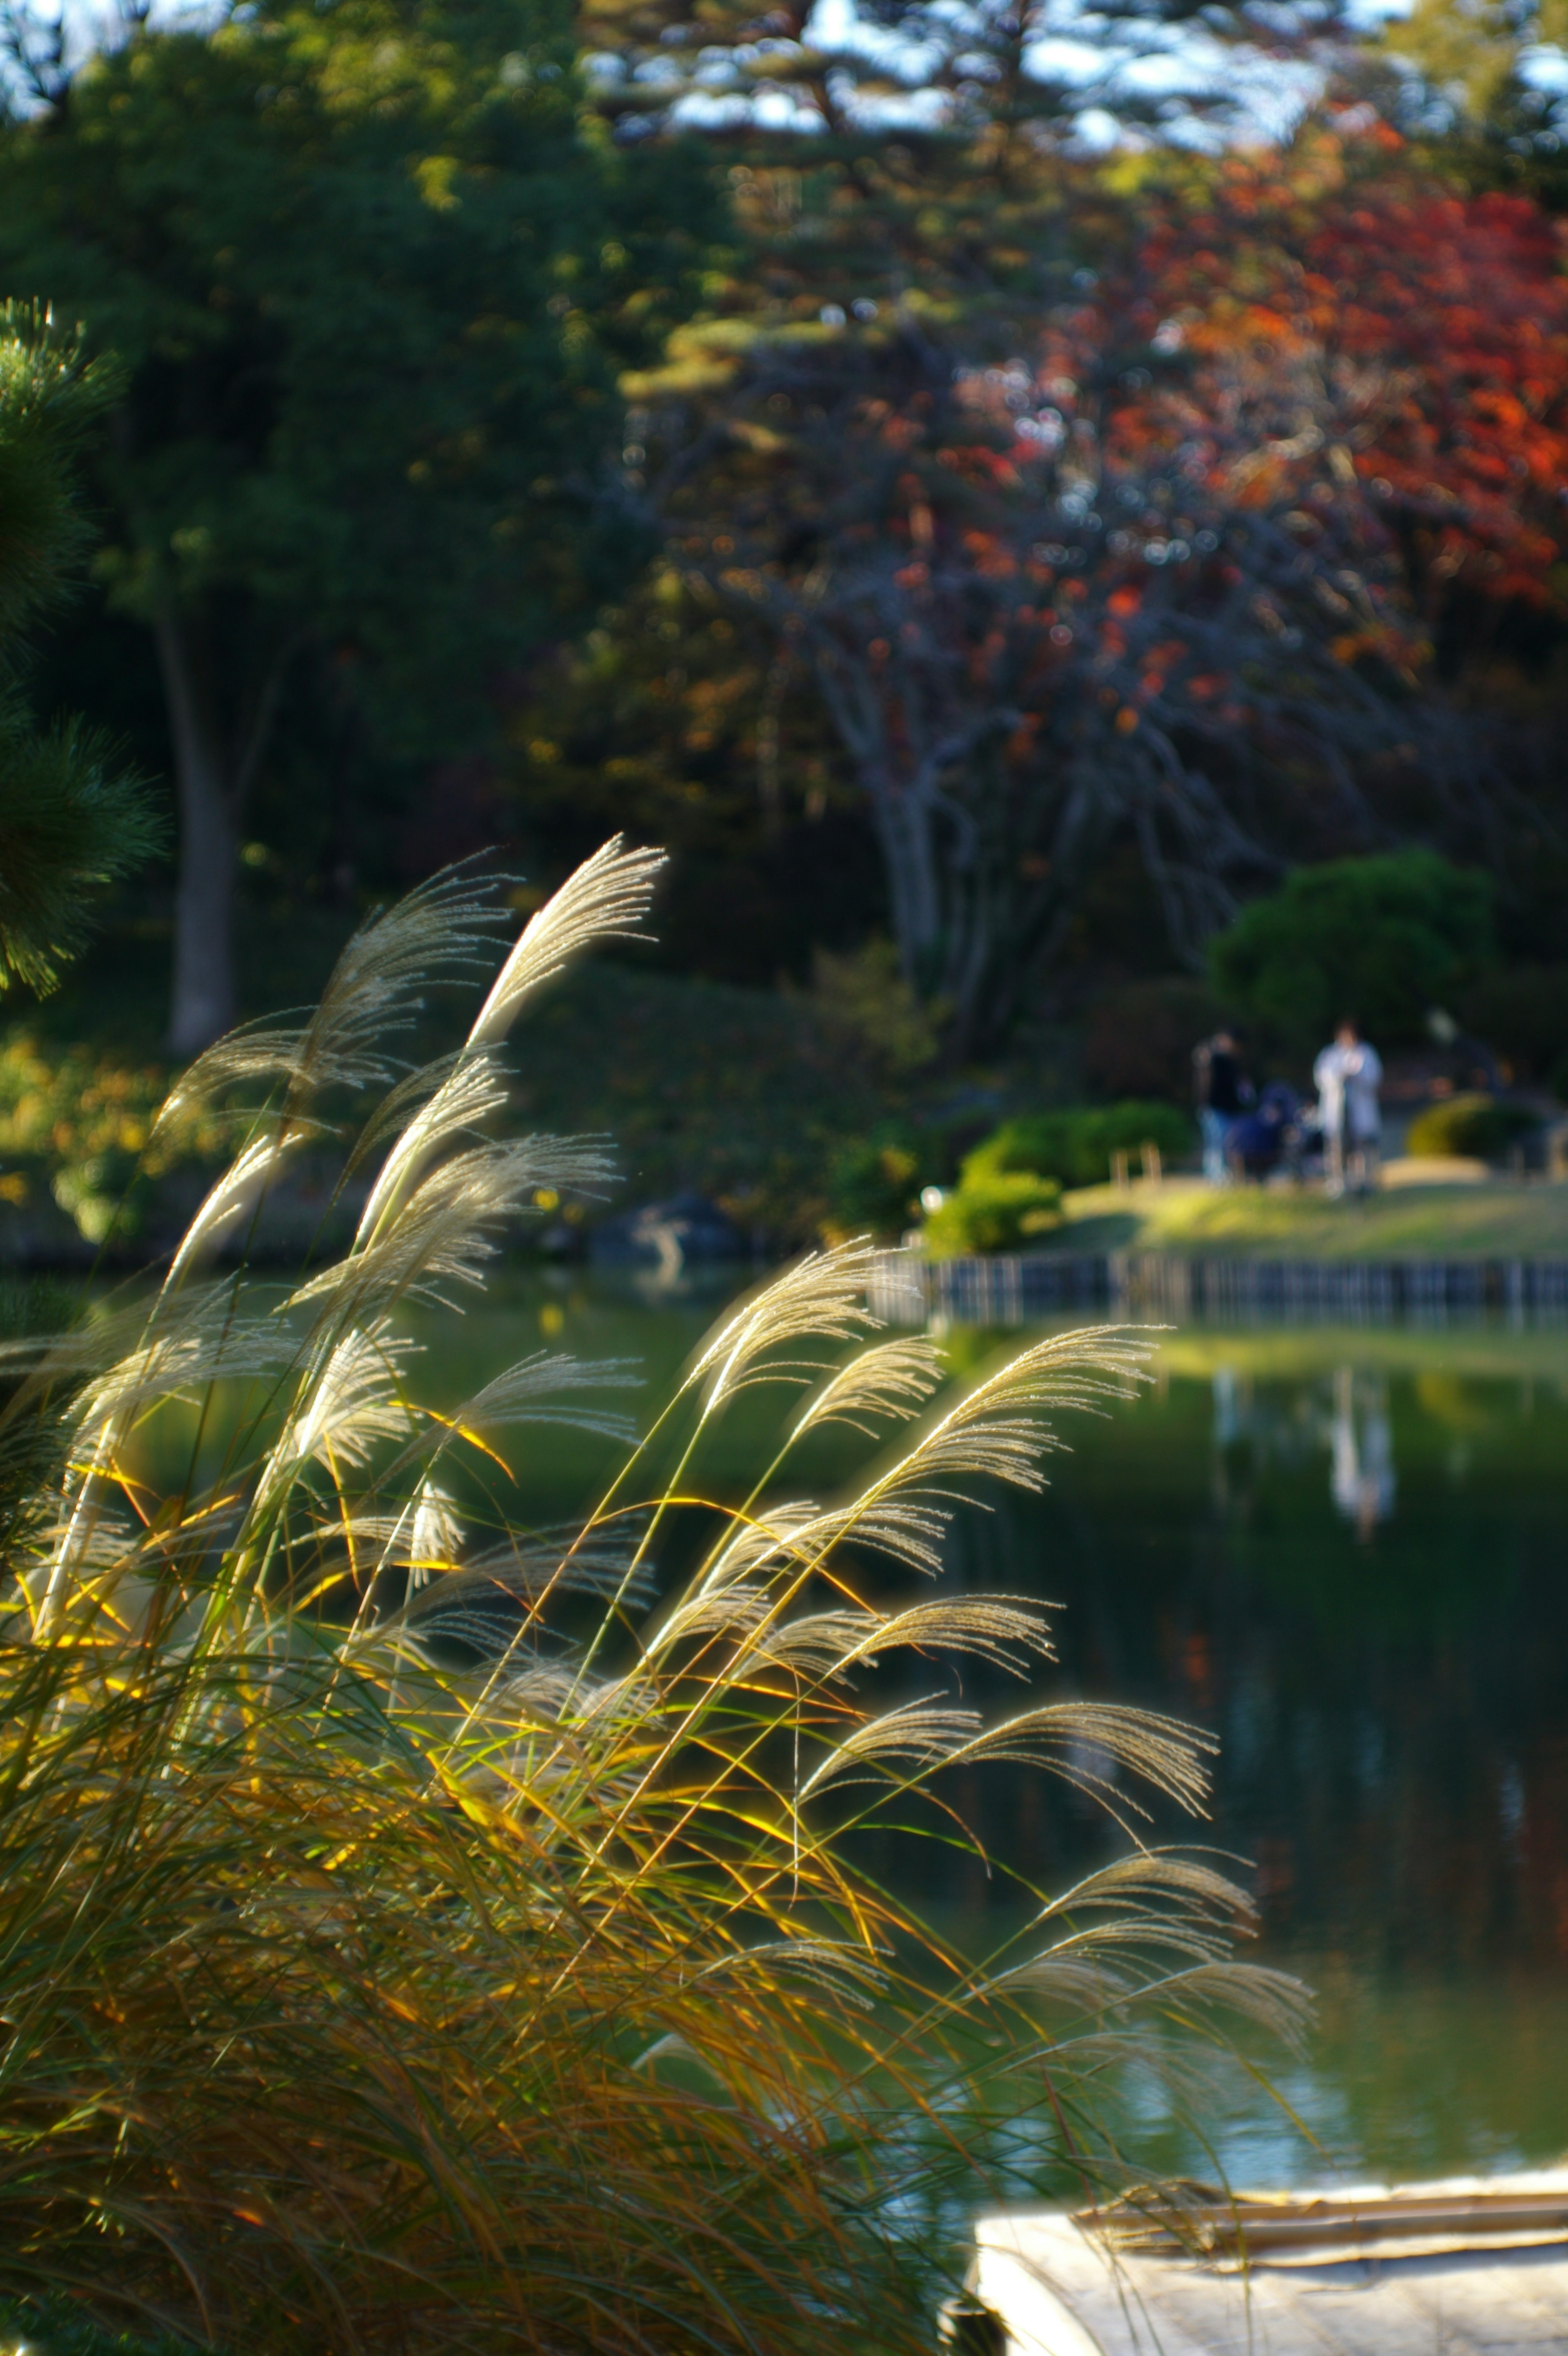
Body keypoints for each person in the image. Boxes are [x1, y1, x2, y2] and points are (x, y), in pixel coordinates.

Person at [1313, 1020, 1383, 1197]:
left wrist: (1356, 1077)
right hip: (1337, 1113)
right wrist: (1339, 1077)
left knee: (1364, 1148)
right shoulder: (1330, 1054)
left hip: (1360, 1112)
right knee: (1336, 1149)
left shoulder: (1366, 1053)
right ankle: (1338, 1183)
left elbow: (1374, 1077)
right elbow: (1322, 1077)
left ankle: (1366, 1182)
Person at [1193, 1028, 1250, 1186]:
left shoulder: (1233, 1062)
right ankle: (1215, 1176)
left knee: (1225, 1143)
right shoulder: (1213, 1058)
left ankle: (1223, 1175)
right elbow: (1203, 1075)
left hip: (1229, 1110)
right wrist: (1203, 1104)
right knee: (1216, 1143)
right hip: (1214, 1108)